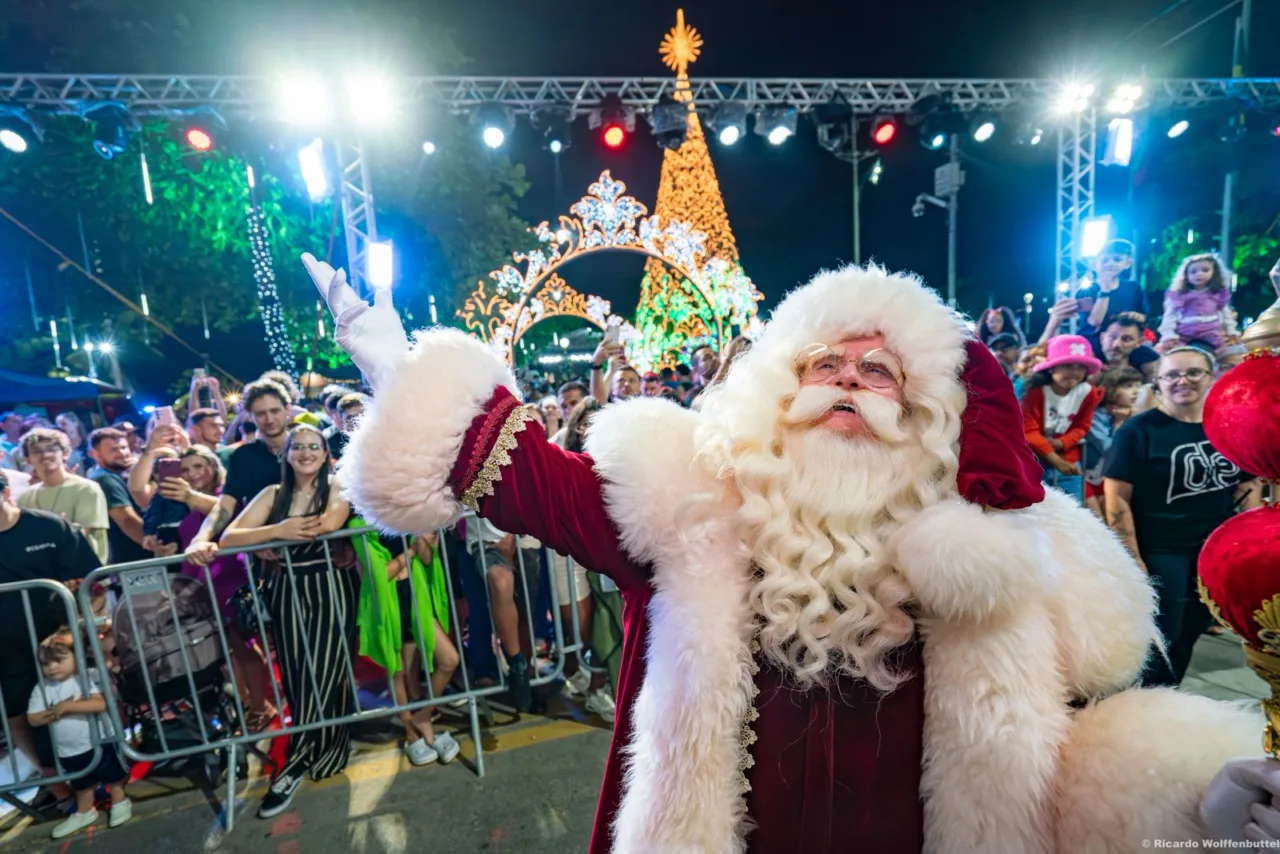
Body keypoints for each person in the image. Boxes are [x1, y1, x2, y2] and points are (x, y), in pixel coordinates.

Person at [309, 252, 1273, 853]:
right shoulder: (695, 510)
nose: (846, 384)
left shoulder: (1011, 563)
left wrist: (1196, 802)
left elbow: (1072, 766)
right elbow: (537, 485)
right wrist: (400, 371)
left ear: (928, 415)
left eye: (878, 372)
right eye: (824, 366)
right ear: (779, 393)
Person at [217, 424, 356, 819]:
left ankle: (303, 754)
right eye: (298, 447)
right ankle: (313, 746)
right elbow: (228, 538)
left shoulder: (337, 486)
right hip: (286, 590)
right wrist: (275, 532)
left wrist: (265, 538)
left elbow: (327, 525)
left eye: (314, 446)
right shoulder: (272, 494)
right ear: (286, 454)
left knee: (327, 669)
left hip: (330, 584)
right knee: (297, 672)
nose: (306, 453)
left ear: (325, 454)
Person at [1103, 347, 1262, 687]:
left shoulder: (1227, 425)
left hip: (1214, 549)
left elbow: (1248, 483)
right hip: (1162, 547)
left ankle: (1169, 696)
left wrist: (1248, 541)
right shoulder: (1138, 431)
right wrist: (1132, 557)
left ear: (1211, 377)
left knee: (1194, 626)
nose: (1183, 381)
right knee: (1163, 632)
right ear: (1158, 382)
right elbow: (1116, 498)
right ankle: (1139, 700)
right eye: (1172, 374)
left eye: (1193, 373)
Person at [0, 472, 100, 797]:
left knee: (87, 699)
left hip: (59, 638)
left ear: (6, 492)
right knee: (19, 714)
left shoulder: (47, 526)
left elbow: (91, 580)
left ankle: (106, 771)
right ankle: (57, 788)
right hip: (7, 647)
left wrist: (78, 628)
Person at [349, 523, 460, 766]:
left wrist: (422, 541)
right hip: (385, 604)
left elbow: (428, 560)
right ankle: (412, 734)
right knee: (397, 671)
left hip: (416, 596)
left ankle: (424, 716)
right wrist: (410, 552)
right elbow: (381, 575)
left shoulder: (407, 516)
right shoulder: (358, 525)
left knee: (449, 659)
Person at [27, 629, 131, 839]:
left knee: (113, 776)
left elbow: (99, 703)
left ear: (77, 656)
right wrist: (55, 712)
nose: (52, 667)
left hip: (100, 740)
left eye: (58, 660)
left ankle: (120, 801)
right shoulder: (42, 688)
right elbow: (33, 718)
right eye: (46, 663)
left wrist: (67, 707)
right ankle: (84, 811)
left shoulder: (87, 677)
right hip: (69, 749)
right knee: (81, 784)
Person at [184, 379, 291, 567]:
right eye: (261, 413)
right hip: (266, 558)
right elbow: (225, 504)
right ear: (250, 416)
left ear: (287, 409)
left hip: (316, 544)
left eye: (274, 411)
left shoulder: (307, 446)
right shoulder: (244, 456)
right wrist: (201, 538)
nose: (269, 419)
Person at [1019, 334, 1105, 503]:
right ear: (1051, 367)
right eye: (1067, 366)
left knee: (1073, 507)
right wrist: (1056, 460)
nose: (1074, 372)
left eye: (1080, 367)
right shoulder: (1033, 392)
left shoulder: (1088, 393)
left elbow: (1082, 426)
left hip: (1069, 459)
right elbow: (1028, 430)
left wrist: (1062, 442)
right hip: (1034, 460)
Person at [17, 428, 110, 562]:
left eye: (51, 449)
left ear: (66, 453)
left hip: (84, 569)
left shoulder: (86, 488)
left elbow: (82, 534)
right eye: (37, 451)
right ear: (28, 459)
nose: (45, 455)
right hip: (45, 571)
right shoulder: (25, 496)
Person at [1071, 238, 1150, 356]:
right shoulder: (1085, 291)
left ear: (1127, 263)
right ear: (1094, 264)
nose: (1110, 263)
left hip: (1123, 346)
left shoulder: (1134, 287)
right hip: (1090, 346)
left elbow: (1145, 318)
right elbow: (1093, 322)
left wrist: (1136, 316)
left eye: (1117, 259)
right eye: (1105, 260)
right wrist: (1105, 289)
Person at [1157, 253, 1239, 356]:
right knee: (1178, 353)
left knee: (1220, 354)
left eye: (1205, 270)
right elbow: (1170, 315)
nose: (1199, 274)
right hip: (1184, 332)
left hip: (1212, 332)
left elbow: (1225, 313)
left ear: (1214, 272)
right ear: (1185, 275)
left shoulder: (1217, 294)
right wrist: (1169, 334)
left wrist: (1231, 330)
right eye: (1193, 272)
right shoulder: (1179, 295)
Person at [86, 428, 148, 564]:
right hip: (135, 562)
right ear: (94, 454)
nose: (122, 453)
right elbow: (126, 520)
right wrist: (155, 545)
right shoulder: (104, 479)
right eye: (113, 450)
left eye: (124, 447)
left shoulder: (117, 475)